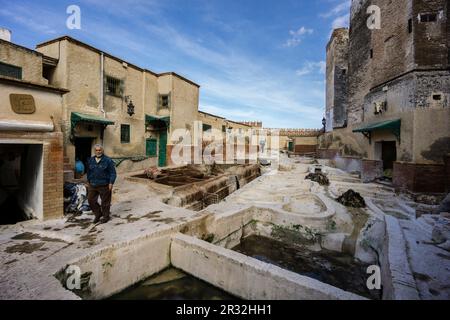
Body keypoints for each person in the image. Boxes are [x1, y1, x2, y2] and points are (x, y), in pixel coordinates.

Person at [87, 144, 116, 224]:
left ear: (102, 151)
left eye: (99, 150)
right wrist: (89, 181)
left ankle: (106, 217)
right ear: (94, 151)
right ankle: (98, 214)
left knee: (105, 202)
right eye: (96, 150)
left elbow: (113, 173)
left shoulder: (108, 160)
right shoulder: (90, 160)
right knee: (91, 200)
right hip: (93, 184)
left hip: (104, 184)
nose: (98, 151)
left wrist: (111, 183)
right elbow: (89, 172)